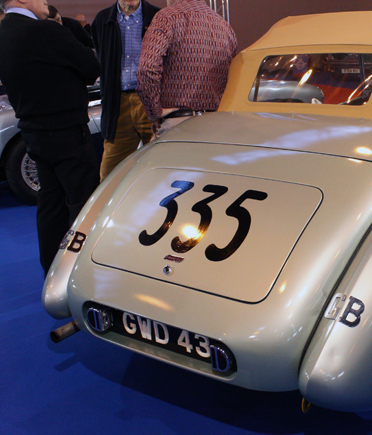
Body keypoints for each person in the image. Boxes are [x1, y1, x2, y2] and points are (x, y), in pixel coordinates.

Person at [0, 0, 101, 275]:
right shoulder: (45, 31)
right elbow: (92, 67)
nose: (45, 0)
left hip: (34, 133)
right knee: (83, 203)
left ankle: (53, 271)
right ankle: (82, 273)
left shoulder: (4, 32)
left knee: (50, 204)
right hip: (67, 131)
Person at [136, 0, 236, 138]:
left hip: (178, 126)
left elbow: (146, 70)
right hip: (216, 126)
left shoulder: (166, 18)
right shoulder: (225, 26)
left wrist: (154, 112)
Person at [91, 0, 160, 181]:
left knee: (159, 165)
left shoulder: (158, 17)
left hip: (151, 100)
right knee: (109, 173)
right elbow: (101, 58)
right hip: (117, 103)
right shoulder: (102, 19)